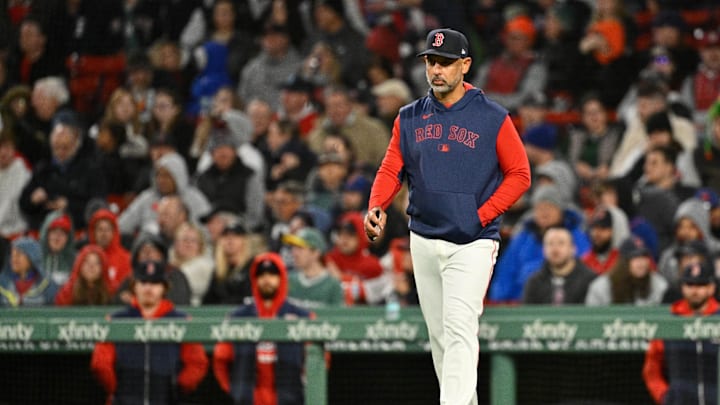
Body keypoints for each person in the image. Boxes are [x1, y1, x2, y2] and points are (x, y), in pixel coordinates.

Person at [363, 28, 531, 405]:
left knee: (458, 332)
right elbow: (392, 168)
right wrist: (376, 204)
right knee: (441, 340)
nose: (436, 70)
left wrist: (481, 214)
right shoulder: (409, 117)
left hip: (472, 242)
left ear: (465, 65)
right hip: (422, 237)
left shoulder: (492, 117)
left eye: (445, 62)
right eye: (431, 62)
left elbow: (520, 174)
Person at [90, 261, 209, 404]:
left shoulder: (182, 320)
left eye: (155, 283)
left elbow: (197, 363)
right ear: (134, 286)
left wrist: (177, 388)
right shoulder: (116, 320)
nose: (148, 288)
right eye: (143, 282)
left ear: (164, 288)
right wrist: (116, 390)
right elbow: (100, 364)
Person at [213, 252, 311, 404]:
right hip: (250, 399)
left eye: (272, 274)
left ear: (282, 278)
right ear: (254, 279)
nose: (266, 280)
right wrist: (235, 391)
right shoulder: (238, 317)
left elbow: (318, 359)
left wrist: (304, 388)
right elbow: (221, 358)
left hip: (288, 398)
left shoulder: (300, 315)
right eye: (261, 275)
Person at [643, 262, 719, 405]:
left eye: (701, 285)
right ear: (682, 287)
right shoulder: (669, 322)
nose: (695, 291)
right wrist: (665, 397)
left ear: (711, 288)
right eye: (690, 285)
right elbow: (651, 369)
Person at [522, 227, 596, 305]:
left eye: (561, 243)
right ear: (543, 250)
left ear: (573, 249)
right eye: (550, 243)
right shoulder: (534, 282)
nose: (555, 249)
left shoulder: (590, 281)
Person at [585, 237, 668, 306]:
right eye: (635, 258)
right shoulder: (601, 287)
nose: (641, 263)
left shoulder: (658, 284)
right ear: (623, 262)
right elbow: (592, 320)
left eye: (644, 257)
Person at [283, 226, 345, 309]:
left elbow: (338, 319)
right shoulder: (288, 280)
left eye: (300, 248)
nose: (294, 253)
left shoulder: (332, 285)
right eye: (293, 247)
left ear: (316, 253)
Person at [0, 237, 58, 306]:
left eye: (19, 254)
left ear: (32, 257)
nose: (14, 258)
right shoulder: (2, 284)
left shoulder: (48, 286)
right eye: (12, 254)